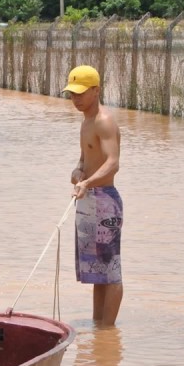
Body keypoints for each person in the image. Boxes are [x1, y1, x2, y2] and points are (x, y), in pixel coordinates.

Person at [62, 64, 124, 326]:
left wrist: (87, 182)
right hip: (87, 200)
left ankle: (107, 333)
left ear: (96, 90)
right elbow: (85, 158)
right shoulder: (85, 122)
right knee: (96, 273)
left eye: (81, 93)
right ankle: (99, 327)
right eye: (72, 94)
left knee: (110, 272)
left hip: (104, 202)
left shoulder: (104, 121)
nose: (76, 99)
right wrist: (78, 171)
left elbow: (113, 162)